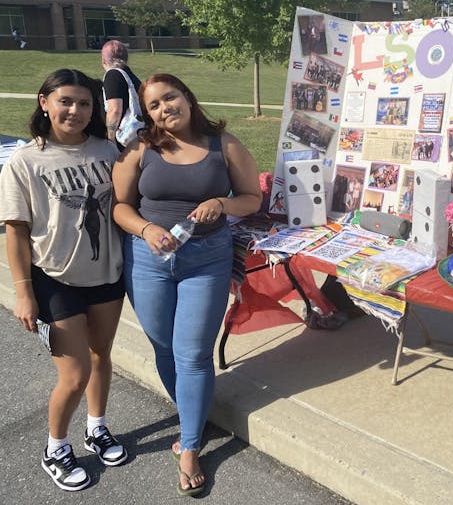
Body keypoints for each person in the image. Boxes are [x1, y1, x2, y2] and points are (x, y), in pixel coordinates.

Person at [111, 73, 261, 496]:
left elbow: (252, 196)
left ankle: (191, 445)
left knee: (192, 353)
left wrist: (221, 203)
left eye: (170, 97)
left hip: (205, 260)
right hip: (148, 259)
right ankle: (192, 411)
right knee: (163, 346)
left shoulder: (223, 144)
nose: (164, 109)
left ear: (188, 96)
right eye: (154, 105)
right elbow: (119, 205)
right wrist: (144, 230)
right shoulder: (142, 147)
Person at [0, 69, 127, 491]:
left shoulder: (109, 152)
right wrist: (23, 293)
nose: (75, 110)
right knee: (73, 375)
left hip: (106, 275)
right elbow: (16, 231)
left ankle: (97, 428)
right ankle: (55, 448)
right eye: (65, 101)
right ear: (44, 103)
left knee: (100, 358)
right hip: (54, 280)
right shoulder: (25, 161)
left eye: (85, 103)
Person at [101, 40, 141, 150]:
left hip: (123, 138)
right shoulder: (131, 77)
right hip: (137, 135)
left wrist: (110, 138)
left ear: (103, 61)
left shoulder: (113, 75)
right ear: (126, 59)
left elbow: (114, 110)